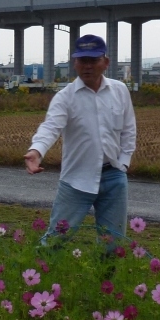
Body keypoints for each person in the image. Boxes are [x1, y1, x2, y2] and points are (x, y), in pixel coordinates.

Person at [23, 34, 136, 244]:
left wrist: (124, 163)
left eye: (93, 60)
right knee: (55, 240)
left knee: (113, 244)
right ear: (75, 63)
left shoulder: (120, 91)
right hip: (76, 178)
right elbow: (51, 127)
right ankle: (40, 264)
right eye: (83, 60)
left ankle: (106, 268)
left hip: (114, 177)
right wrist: (37, 150)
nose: (88, 66)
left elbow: (129, 130)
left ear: (106, 62)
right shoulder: (65, 97)